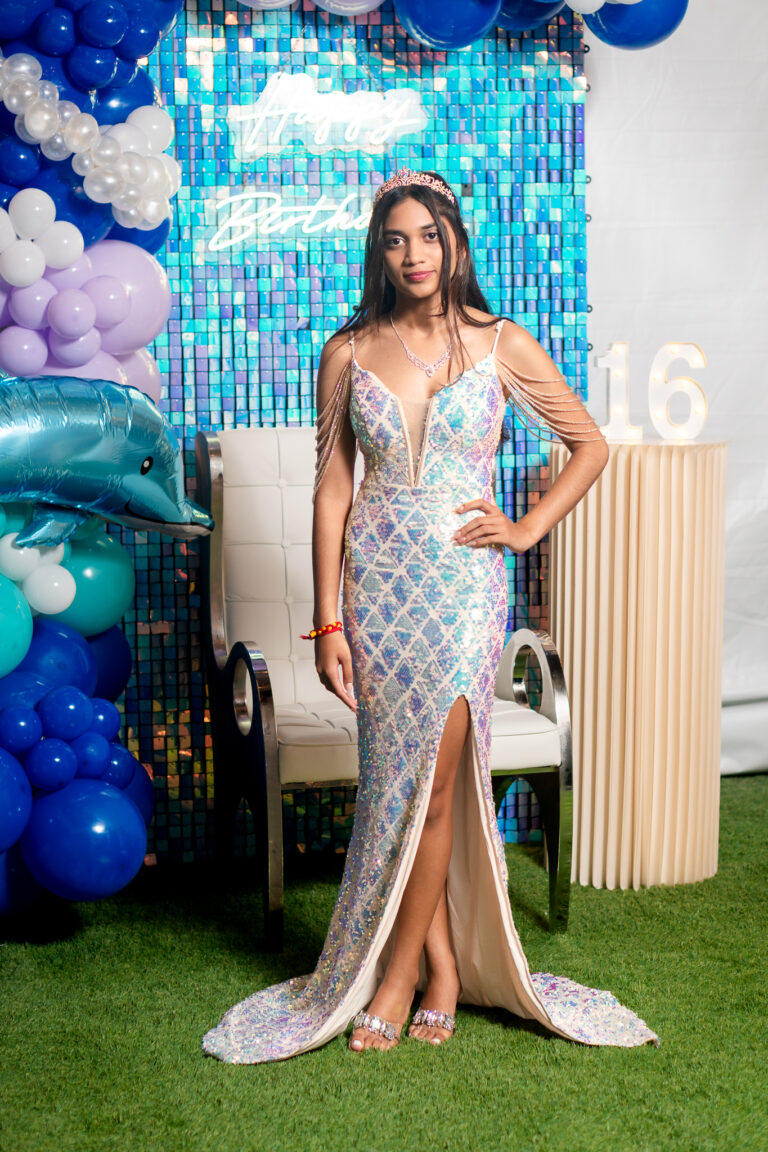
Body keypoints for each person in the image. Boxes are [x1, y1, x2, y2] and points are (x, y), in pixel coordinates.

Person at [202, 168, 659, 1063]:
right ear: (379, 253)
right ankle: (443, 966)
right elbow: (332, 492)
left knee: (441, 784)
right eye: (395, 240)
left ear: (455, 241)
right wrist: (327, 623)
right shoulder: (348, 351)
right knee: (398, 786)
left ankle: (402, 972)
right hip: (376, 593)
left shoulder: (501, 343)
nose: (414, 254)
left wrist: (524, 527)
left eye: (429, 236)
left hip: (461, 592)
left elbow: (590, 444)